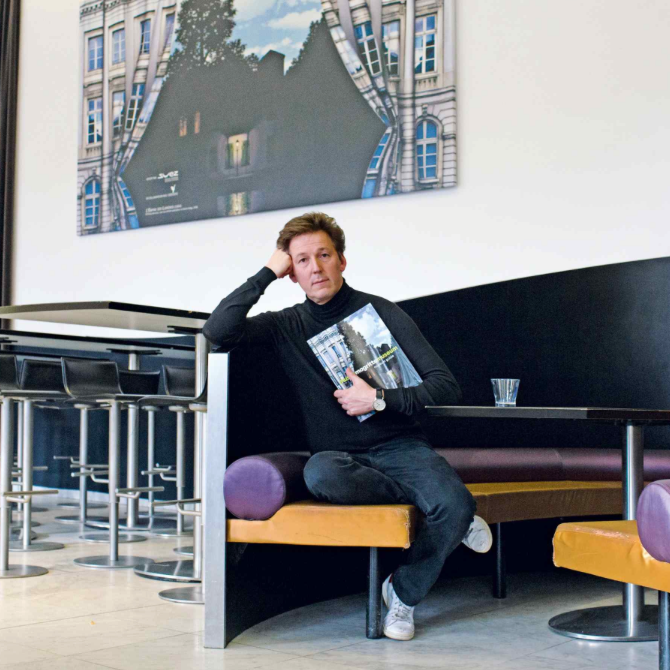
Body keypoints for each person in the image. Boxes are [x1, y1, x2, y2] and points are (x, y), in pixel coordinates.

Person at [203, 212, 492, 641]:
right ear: (292, 273)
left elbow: (444, 386)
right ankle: (435, 506)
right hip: (340, 458)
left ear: (341, 260)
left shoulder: (382, 312)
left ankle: (404, 593)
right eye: (302, 260)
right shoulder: (286, 325)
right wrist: (267, 272)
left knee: (454, 504)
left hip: (400, 447)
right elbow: (217, 330)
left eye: (324, 255)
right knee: (320, 473)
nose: (315, 268)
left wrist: (378, 399)